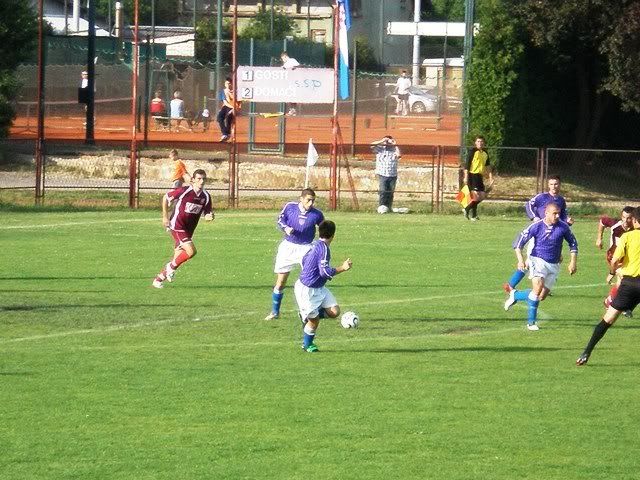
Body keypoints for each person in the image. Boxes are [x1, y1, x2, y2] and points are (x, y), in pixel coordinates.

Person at [577, 207, 640, 365]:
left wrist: (612, 271)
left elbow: (615, 261)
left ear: (634, 220)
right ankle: (628, 308)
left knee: (608, 320)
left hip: (629, 284)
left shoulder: (627, 236)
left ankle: (586, 352)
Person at [504, 202, 578, 331]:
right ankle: (531, 323)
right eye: (554, 213)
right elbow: (518, 243)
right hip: (537, 259)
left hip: (554, 264)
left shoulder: (563, 227)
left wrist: (573, 262)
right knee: (537, 288)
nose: (557, 216)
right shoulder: (536, 226)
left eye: (559, 213)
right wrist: (520, 260)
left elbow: (573, 243)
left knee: (541, 296)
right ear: (546, 213)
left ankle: (516, 295)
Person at [265, 188, 324, 321]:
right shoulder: (290, 207)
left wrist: (321, 245)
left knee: (311, 281)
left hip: (306, 249)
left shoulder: (317, 214)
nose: (311, 203)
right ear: (301, 199)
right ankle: (275, 312)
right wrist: (286, 228)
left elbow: (323, 229)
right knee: (281, 282)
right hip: (288, 247)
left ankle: (314, 310)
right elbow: (280, 220)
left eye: (313, 201)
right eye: (308, 200)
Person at [504, 175, 571, 291]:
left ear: (560, 185)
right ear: (548, 185)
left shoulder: (561, 200)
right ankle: (514, 285)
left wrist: (567, 221)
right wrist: (534, 217)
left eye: (556, 184)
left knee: (539, 261)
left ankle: (535, 286)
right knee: (532, 260)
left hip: (554, 235)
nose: (554, 186)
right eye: (551, 184)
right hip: (539, 233)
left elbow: (563, 216)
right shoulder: (542, 197)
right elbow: (529, 205)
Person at [294, 220, 353, 352]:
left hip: (319, 287)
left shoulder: (314, 245)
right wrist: (343, 268)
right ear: (333, 235)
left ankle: (306, 315)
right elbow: (324, 272)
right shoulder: (324, 249)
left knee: (334, 312)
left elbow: (304, 260)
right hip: (307, 290)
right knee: (314, 322)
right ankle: (307, 345)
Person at [152, 169, 213, 289]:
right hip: (177, 226)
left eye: (203, 179)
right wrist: (165, 217)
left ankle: (158, 280)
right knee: (191, 251)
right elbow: (166, 197)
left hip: (189, 230)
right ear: (193, 180)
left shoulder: (206, 196)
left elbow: (207, 212)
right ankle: (170, 267)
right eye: (199, 179)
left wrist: (209, 216)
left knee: (178, 258)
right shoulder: (185, 191)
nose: (201, 181)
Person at [597, 206, 635, 316]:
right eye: (624, 217)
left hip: (628, 260)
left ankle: (614, 303)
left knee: (627, 282)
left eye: (629, 218)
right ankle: (618, 305)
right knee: (623, 281)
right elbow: (602, 221)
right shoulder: (615, 225)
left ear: (633, 218)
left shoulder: (636, 229)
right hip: (614, 258)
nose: (626, 221)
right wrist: (599, 238)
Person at [462, 135, 493, 221]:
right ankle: (473, 215)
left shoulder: (485, 153)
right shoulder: (472, 151)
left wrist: (491, 177)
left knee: (482, 196)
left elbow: (488, 166)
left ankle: (467, 209)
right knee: (476, 196)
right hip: (472, 175)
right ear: (475, 143)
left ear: (484, 143)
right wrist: (465, 177)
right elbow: (467, 165)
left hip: (479, 176)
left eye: (481, 141)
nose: (480, 143)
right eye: (478, 141)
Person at [371, 135, 401, 213]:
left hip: (392, 174)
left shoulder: (394, 149)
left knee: (390, 192)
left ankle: (389, 207)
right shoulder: (380, 149)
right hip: (382, 173)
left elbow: (399, 155)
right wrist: (382, 141)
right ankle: (382, 207)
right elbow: (372, 145)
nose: (387, 143)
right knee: (383, 191)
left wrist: (395, 144)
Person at [280, 51, 300, 116]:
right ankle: (292, 110)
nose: (283, 60)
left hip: (295, 82)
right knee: (290, 97)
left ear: (285, 56)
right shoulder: (285, 64)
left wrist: (293, 68)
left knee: (293, 96)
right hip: (289, 82)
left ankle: (293, 111)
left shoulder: (292, 60)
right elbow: (283, 69)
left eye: (283, 58)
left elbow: (298, 66)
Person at [217, 78, 235, 142]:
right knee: (219, 117)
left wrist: (234, 108)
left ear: (232, 84)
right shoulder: (223, 91)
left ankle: (227, 134)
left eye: (230, 83)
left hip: (234, 107)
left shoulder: (236, 92)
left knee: (228, 117)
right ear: (225, 84)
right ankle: (225, 134)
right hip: (227, 106)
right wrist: (232, 107)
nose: (228, 85)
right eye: (227, 83)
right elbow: (225, 102)